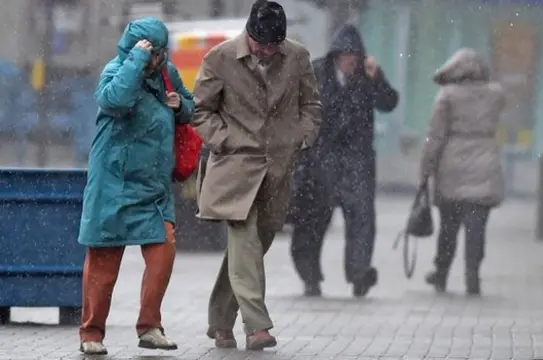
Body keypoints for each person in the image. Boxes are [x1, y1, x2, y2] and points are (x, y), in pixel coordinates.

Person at [191, 0, 323, 351]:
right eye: (261, 43)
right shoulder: (219, 59)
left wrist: (302, 136)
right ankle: (256, 326)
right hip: (235, 169)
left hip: (278, 168)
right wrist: (225, 139)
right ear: (249, 34)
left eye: (274, 44)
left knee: (249, 250)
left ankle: (220, 321)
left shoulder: (297, 57)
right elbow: (200, 110)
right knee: (245, 241)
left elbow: (311, 104)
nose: (267, 51)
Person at [76, 17, 194, 355]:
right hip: (114, 184)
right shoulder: (117, 70)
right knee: (103, 262)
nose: (159, 60)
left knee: (163, 252)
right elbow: (114, 100)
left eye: (160, 54)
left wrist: (181, 106)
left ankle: (150, 327)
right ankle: (92, 333)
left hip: (153, 187)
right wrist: (136, 61)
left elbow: (191, 105)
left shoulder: (167, 73)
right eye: (154, 54)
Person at [289, 24, 398, 298]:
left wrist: (377, 79)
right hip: (320, 160)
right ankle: (310, 277)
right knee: (311, 223)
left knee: (362, 218)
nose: (353, 64)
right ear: (336, 56)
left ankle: (359, 273)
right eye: (348, 58)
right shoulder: (315, 74)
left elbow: (389, 102)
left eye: (357, 58)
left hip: (356, 161)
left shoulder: (367, 76)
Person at [419, 48, 505, 296]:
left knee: (449, 226)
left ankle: (441, 272)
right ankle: (473, 274)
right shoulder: (495, 95)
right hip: (484, 162)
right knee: (477, 227)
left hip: (452, 165)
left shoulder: (447, 96)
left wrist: (425, 170)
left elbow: (435, 136)